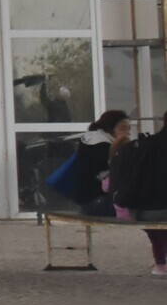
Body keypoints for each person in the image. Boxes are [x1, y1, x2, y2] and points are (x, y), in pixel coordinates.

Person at [109, 121, 167, 276]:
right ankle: (161, 261)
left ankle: (160, 262)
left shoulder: (142, 146)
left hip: (145, 211)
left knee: (155, 230)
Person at [46, 110, 130, 212]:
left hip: (86, 200)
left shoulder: (90, 141)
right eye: (123, 128)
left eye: (128, 129)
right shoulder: (102, 147)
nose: (128, 133)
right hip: (97, 201)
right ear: (109, 128)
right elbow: (111, 178)